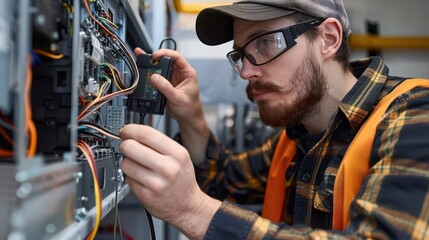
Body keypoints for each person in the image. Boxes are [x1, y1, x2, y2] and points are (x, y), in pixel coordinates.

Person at [119, 0, 429, 239]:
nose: (245, 71)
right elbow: (222, 183)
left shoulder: (415, 115)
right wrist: (191, 117)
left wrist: (194, 212)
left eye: (265, 43)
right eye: (241, 54)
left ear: (329, 39)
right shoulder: (295, 139)